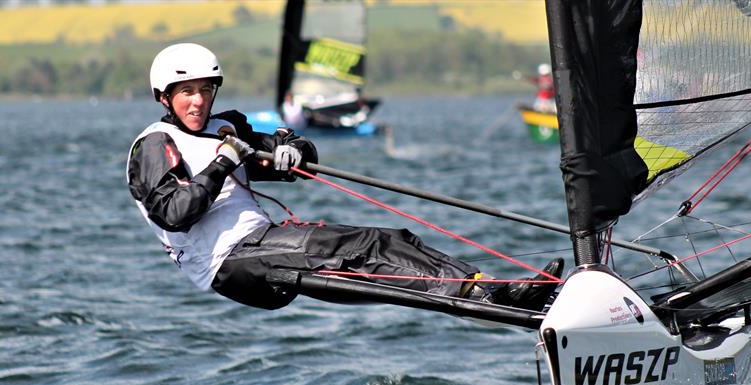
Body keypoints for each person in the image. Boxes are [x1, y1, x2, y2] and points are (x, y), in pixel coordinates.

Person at [126, 43, 563, 312]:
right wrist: (223, 162)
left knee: (393, 242)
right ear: (165, 97)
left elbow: (304, 165)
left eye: (205, 90)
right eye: (187, 92)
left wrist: (291, 149)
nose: (198, 101)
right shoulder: (154, 144)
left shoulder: (228, 127)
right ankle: (480, 295)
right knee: (366, 247)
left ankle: (489, 293)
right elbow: (174, 213)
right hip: (232, 264)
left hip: (263, 246)